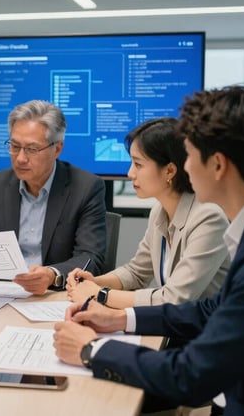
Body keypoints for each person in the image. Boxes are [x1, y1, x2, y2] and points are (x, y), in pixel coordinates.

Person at [53, 85, 244, 414]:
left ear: (217, 165)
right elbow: (211, 309)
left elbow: (193, 375)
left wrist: (93, 350)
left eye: (189, 155)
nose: (184, 168)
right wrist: (119, 320)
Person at [0, 100, 106, 295]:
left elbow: (90, 257)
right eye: (15, 146)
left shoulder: (86, 187)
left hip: (54, 297)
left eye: (31, 149)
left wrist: (52, 275)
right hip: (0, 295)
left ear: (57, 149)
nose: (21, 158)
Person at [66, 118, 230, 309]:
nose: (130, 173)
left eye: (138, 164)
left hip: (205, 333)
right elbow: (136, 272)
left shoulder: (209, 217)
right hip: (173, 327)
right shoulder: (160, 211)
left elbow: (175, 298)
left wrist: (100, 295)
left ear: (169, 170)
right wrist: (94, 282)